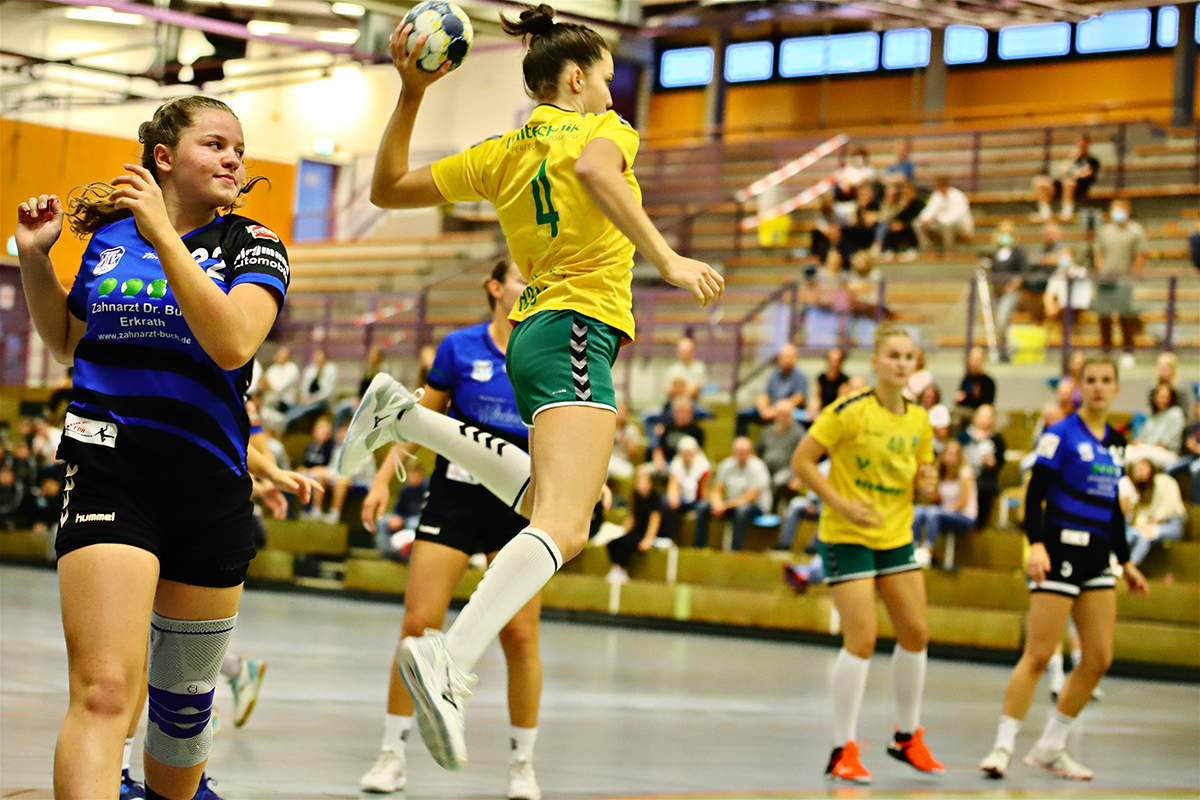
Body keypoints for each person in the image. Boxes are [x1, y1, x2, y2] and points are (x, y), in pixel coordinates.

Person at [337, 3, 723, 773]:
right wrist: (669, 260)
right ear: (575, 79)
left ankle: (409, 418)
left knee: (544, 502)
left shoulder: (499, 152)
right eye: (605, 79)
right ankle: (450, 660)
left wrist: (412, 93)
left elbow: (386, 188)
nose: (611, 93)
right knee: (567, 526)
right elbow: (596, 171)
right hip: (578, 326)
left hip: (535, 334)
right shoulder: (605, 130)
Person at [15, 95, 321, 800]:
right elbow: (66, 342)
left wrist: (164, 236)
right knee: (104, 690)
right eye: (215, 144)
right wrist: (35, 260)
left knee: (181, 719)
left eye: (238, 148)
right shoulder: (112, 240)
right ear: (164, 156)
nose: (233, 158)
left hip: (208, 491)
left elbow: (233, 341)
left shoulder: (254, 244)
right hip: (109, 472)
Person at [355, 260, 548, 797]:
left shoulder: (545, 352)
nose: (531, 285)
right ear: (496, 288)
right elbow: (419, 420)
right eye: (522, 277)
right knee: (419, 624)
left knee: (520, 634)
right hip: (456, 496)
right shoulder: (458, 348)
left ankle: (522, 764)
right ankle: (392, 754)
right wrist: (382, 482)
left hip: (519, 504)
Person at [980, 355, 1148, 781]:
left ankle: (1051, 747)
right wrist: (1036, 544)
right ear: (1079, 387)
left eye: (1106, 380)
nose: (1098, 387)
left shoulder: (1117, 442)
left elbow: (1112, 508)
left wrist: (1126, 561)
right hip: (1058, 550)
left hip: (1098, 557)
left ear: (1117, 388)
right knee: (1038, 654)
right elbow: (1034, 493)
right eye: (1090, 380)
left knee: (1099, 658)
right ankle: (1002, 747)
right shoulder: (1060, 434)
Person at [790, 322, 943, 784]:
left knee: (916, 634)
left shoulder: (919, 420)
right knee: (862, 640)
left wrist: (929, 483)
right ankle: (843, 749)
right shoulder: (848, 411)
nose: (901, 363)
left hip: (895, 535)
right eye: (893, 355)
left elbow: (923, 478)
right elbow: (802, 462)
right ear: (875, 362)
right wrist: (842, 504)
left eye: (908, 356)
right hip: (847, 534)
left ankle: (907, 736)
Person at [1093, 199, 1145, 368]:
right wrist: (1101, 272)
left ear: (1128, 211)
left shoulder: (1136, 231)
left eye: (1120, 209)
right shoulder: (1105, 231)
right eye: (1114, 209)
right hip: (1106, 280)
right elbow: (1098, 253)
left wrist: (1133, 276)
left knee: (1125, 316)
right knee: (1104, 316)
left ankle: (1128, 352)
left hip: (1124, 280)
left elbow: (1140, 255)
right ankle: (1106, 350)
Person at [911, 439, 976, 570]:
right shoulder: (940, 471)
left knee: (933, 513)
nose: (951, 458)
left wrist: (944, 510)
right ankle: (913, 549)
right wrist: (922, 486)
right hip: (943, 513)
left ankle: (927, 552)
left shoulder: (965, 473)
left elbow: (962, 502)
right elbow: (937, 498)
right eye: (948, 454)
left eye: (954, 454)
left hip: (964, 515)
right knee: (917, 511)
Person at [708, 436, 772, 552]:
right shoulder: (726, 465)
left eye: (744, 452)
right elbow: (717, 489)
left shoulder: (758, 467)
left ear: (751, 452)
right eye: (738, 452)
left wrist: (725, 505)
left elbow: (751, 497)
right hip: (730, 505)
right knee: (703, 507)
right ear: (733, 452)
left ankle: (735, 550)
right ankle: (700, 548)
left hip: (754, 507)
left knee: (742, 511)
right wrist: (717, 503)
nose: (741, 455)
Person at [1120, 458, 1186, 567]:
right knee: (1128, 536)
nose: (1139, 472)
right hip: (1148, 525)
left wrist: (1152, 524)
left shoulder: (1165, 481)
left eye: (1142, 468)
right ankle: (1115, 564)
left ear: (1150, 467)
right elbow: (1140, 514)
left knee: (1146, 536)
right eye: (1137, 469)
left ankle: (1130, 566)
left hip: (1171, 524)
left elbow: (1168, 509)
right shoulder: (1140, 488)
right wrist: (1141, 526)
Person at [605, 463, 662, 583]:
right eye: (638, 481)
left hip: (644, 533)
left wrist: (648, 539)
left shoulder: (654, 498)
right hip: (636, 530)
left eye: (643, 481)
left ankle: (621, 569)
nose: (640, 484)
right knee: (613, 543)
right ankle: (617, 568)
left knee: (627, 544)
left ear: (649, 483)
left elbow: (655, 520)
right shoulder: (636, 497)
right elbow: (632, 516)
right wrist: (622, 530)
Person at [736, 342, 807, 436]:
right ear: (779, 358)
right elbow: (765, 395)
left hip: (791, 413)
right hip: (770, 410)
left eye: (790, 357)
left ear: (795, 358)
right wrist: (764, 409)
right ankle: (742, 443)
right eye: (785, 357)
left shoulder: (800, 376)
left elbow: (798, 399)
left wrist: (776, 411)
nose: (787, 360)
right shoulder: (774, 375)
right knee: (742, 413)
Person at [958, 404, 1006, 530]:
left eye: (987, 417)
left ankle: (979, 526)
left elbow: (1000, 463)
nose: (984, 420)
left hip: (984, 476)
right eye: (981, 416)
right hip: (963, 472)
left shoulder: (997, 439)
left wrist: (992, 463)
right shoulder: (964, 435)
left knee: (985, 487)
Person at [1033, 134, 1099, 222]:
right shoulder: (1073, 159)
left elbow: (1086, 174)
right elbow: (1062, 171)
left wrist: (1075, 174)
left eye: (1082, 144)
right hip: (1064, 184)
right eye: (1078, 144)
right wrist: (1071, 158)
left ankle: (1067, 213)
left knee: (1068, 182)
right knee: (1040, 182)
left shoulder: (1092, 160)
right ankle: (1045, 213)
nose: (1080, 146)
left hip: (1079, 186)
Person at [661, 435, 712, 547]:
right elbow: (673, 485)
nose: (686, 456)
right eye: (684, 453)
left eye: (689, 453)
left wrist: (694, 511)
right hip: (682, 499)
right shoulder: (677, 463)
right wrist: (673, 498)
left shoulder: (703, 466)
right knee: (666, 503)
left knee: (704, 507)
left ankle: (699, 545)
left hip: (697, 500)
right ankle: (668, 540)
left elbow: (704, 492)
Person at [756, 398, 804, 509]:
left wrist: (798, 478)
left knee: (778, 480)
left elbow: (804, 459)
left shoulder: (799, 433)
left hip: (788, 470)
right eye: (781, 414)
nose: (784, 417)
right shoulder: (767, 431)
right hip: (766, 468)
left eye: (787, 414)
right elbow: (758, 452)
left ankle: (772, 511)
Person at [1128, 383, 1186, 470]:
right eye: (1160, 396)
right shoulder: (1152, 415)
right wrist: (1138, 442)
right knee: (1129, 452)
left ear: (1171, 398)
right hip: (1148, 449)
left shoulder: (1176, 413)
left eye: (1166, 397)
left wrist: (1148, 446)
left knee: (1140, 456)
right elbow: (1143, 437)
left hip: (1167, 453)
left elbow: (1166, 443)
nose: (1162, 400)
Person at [915, 176, 973, 258]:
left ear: (947, 186)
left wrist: (936, 219)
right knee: (918, 224)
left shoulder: (958, 196)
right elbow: (929, 210)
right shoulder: (936, 196)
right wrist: (926, 219)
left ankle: (949, 252)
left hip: (959, 226)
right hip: (939, 225)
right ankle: (929, 251)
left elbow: (958, 215)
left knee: (947, 225)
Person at [663, 335, 706, 400]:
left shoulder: (699, 368)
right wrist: (685, 389)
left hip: (693, 403)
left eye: (687, 351)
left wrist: (678, 390)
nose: (685, 354)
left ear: (692, 352)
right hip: (674, 403)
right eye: (683, 351)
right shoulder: (673, 369)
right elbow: (668, 390)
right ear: (678, 352)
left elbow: (694, 391)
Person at [955, 346, 996, 412]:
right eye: (972, 359)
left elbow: (988, 403)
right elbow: (961, 400)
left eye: (977, 360)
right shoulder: (966, 380)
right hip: (966, 412)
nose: (975, 363)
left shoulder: (988, 382)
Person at [815, 347, 850, 413]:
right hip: (822, 411)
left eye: (836, 361)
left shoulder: (844, 379)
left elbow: (841, 401)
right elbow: (817, 398)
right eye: (831, 360)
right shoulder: (821, 378)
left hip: (836, 411)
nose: (834, 364)